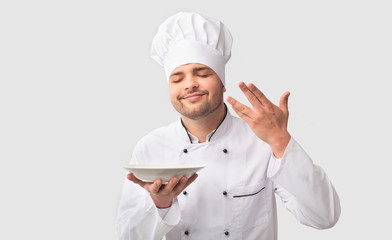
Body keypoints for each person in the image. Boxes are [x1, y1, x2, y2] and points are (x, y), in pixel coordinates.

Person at [116, 11, 340, 240]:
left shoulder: (262, 140)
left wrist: (280, 141)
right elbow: (129, 237)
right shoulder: (151, 147)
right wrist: (161, 204)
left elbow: (324, 216)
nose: (190, 84)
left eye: (202, 73)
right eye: (177, 79)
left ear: (223, 84)